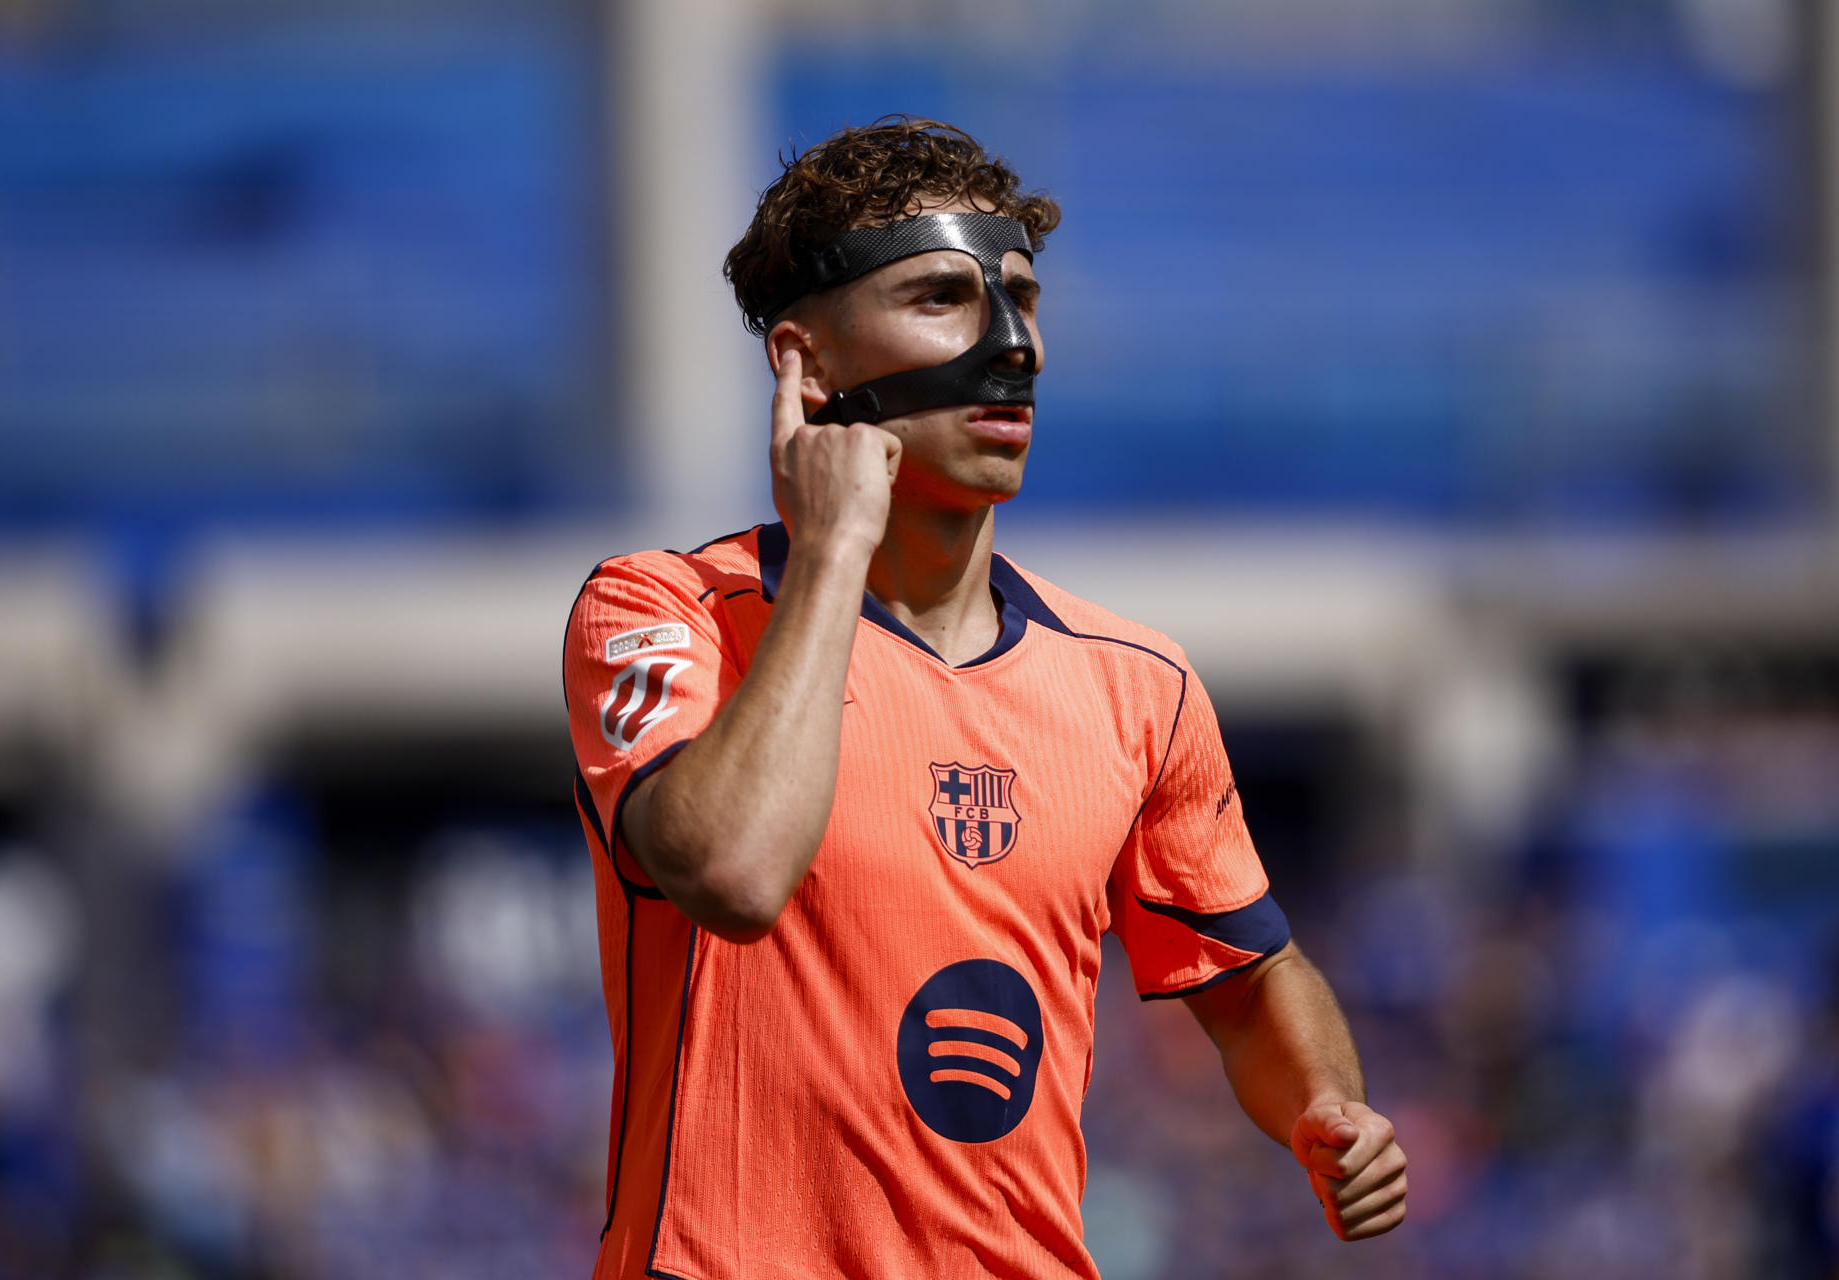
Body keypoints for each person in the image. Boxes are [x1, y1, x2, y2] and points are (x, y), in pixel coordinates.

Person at [564, 117, 1406, 1280]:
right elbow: (734, 872)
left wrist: (1330, 1105)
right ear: (803, 362)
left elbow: (1251, 975)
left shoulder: (1136, 685)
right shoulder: (661, 611)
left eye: (1023, 296)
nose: (1016, 347)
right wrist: (831, 554)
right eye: (943, 298)